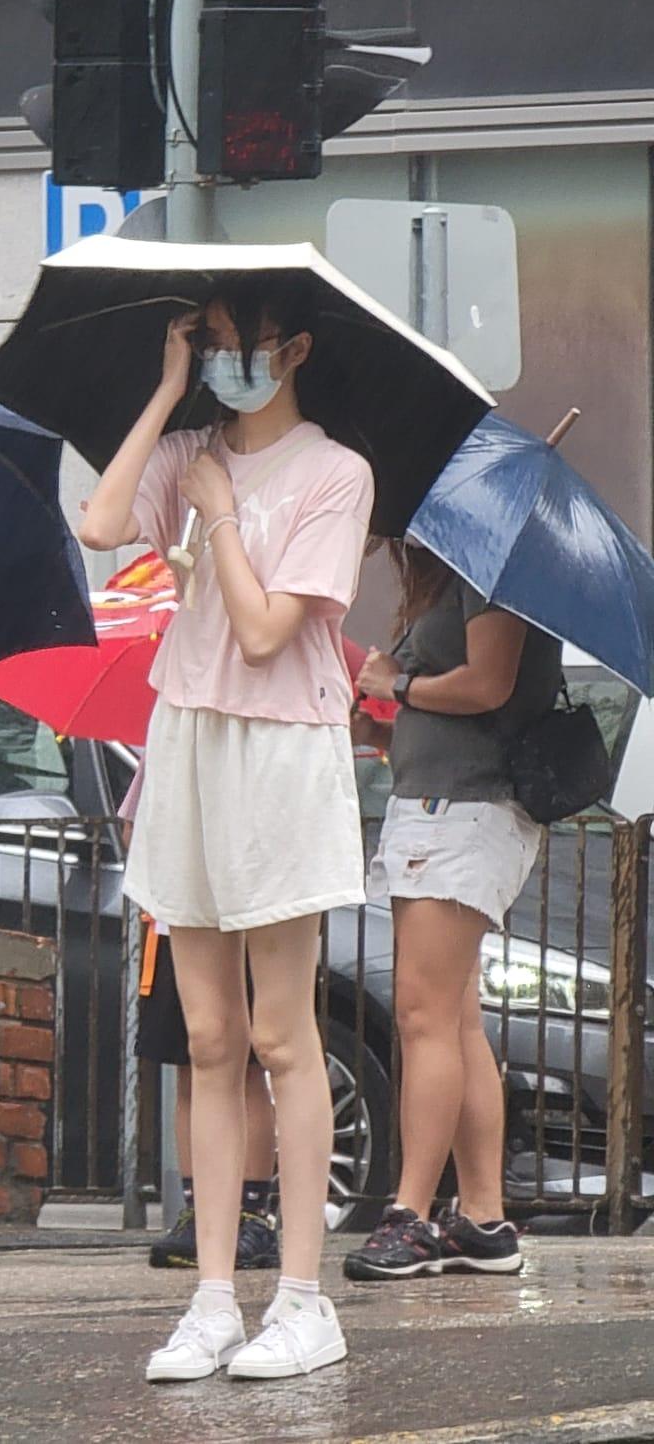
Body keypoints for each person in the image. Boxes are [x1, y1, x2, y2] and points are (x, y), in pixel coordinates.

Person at [78, 281, 374, 1383]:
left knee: (279, 1033)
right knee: (205, 1038)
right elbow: (100, 525)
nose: (220, 364)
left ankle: (301, 1299)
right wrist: (162, 395)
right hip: (187, 740)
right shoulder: (189, 443)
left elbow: (260, 632)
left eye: (232, 347)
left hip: (281, 746)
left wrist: (218, 515)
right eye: (203, 347)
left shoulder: (333, 473)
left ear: (290, 349)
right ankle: (211, 1298)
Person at [341, 543, 553, 1279]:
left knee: (422, 1017)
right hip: (440, 807)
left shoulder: (493, 568)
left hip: (466, 814)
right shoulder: (450, 574)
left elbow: (489, 685)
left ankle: (411, 1215)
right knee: (455, 1021)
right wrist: (379, 731)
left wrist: (397, 684)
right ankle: (485, 1219)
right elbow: (451, 718)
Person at [119, 757, 280, 1272]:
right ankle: (198, 1207)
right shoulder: (165, 739)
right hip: (178, 916)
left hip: (250, 910)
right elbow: (132, 825)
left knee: (250, 1066)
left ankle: (251, 1213)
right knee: (193, 1062)